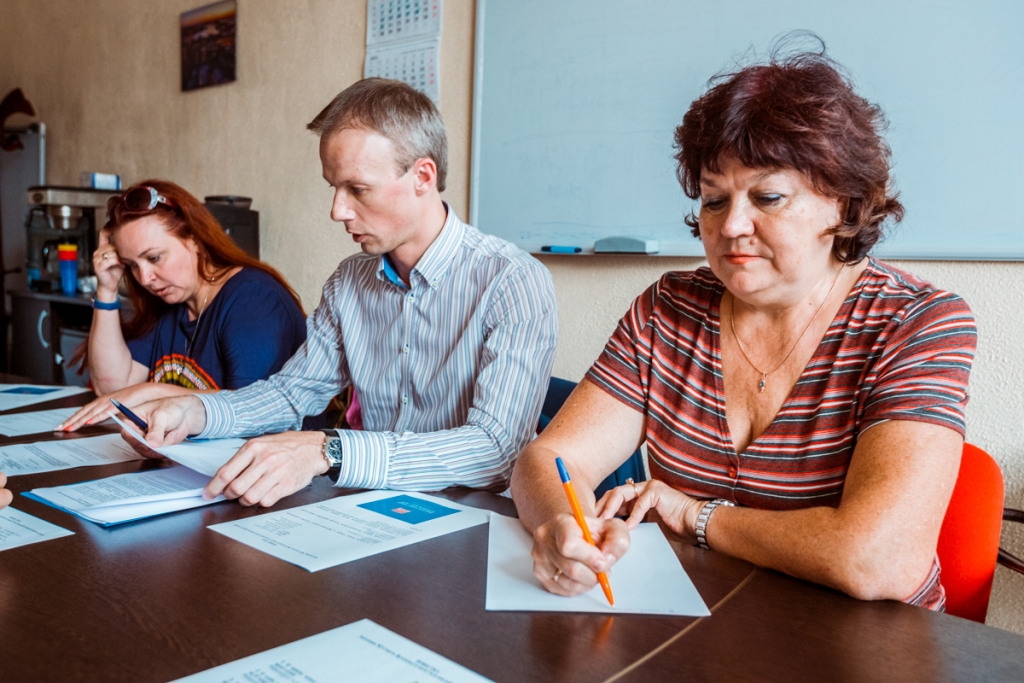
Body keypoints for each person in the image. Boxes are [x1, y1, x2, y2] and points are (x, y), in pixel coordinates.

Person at [511, 49, 976, 611]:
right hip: (706, 627)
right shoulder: (670, 308)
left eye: (768, 197)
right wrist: (567, 528)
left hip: (863, 650)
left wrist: (693, 515)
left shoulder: (918, 322)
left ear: (843, 201)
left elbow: (878, 559)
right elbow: (549, 461)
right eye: (713, 199)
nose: (730, 225)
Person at [124, 78, 558, 507]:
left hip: (478, 521)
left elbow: (495, 451)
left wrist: (328, 450)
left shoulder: (513, 281)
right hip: (370, 510)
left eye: (357, 188)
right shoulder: (349, 281)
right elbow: (292, 393)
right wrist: (195, 414)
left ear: (423, 176)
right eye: (333, 187)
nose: (338, 210)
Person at [59, 180, 307, 432]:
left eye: (154, 258)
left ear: (195, 240)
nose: (144, 279)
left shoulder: (254, 299)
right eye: (131, 264)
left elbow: (251, 414)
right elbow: (113, 392)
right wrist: (106, 289)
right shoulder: (168, 301)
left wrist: (151, 391)